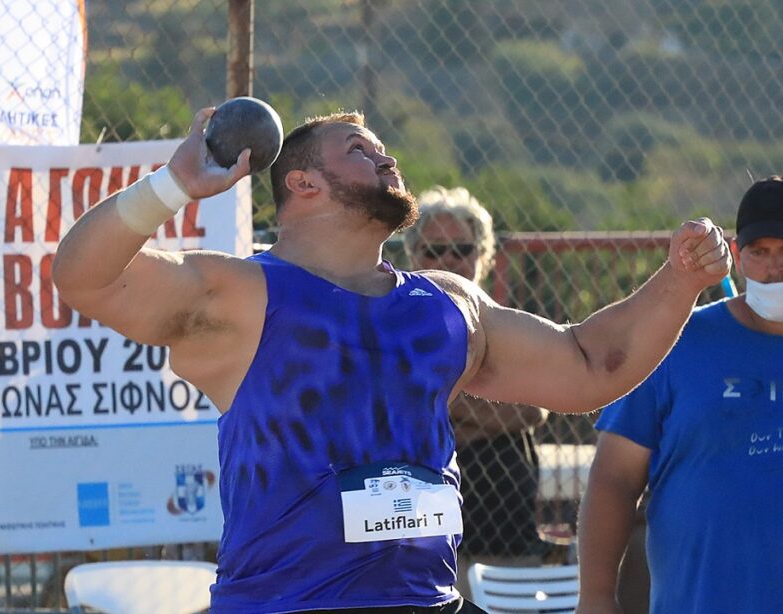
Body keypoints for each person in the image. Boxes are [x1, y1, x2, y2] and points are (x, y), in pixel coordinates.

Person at [51, 107, 730, 613]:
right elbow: (84, 277)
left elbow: (589, 367)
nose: (388, 161)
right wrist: (171, 186)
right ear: (304, 184)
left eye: (383, 150)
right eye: (358, 150)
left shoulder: (444, 304)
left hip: (426, 601)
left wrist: (679, 281)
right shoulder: (240, 294)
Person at [576, 176, 783, 614]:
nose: (773, 268)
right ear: (738, 257)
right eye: (760, 252)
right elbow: (614, 476)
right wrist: (595, 597)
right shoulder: (675, 341)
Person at [404, 186, 554, 596]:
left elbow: (532, 410)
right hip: (421, 535)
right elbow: (400, 415)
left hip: (504, 531)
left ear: (482, 258)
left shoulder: (511, 326)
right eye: (434, 251)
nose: (448, 261)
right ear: (413, 257)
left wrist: (447, 403)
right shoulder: (396, 328)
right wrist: (493, 407)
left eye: (461, 249)